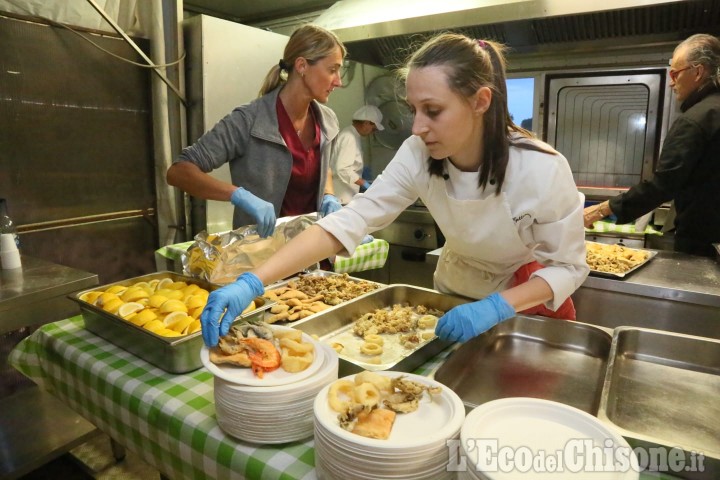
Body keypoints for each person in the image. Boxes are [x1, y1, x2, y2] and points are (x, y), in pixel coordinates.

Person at [199, 33, 589, 347]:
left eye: (432, 111)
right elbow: (351, 220)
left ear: (480, 102)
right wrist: (253, 281)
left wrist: (496, 308)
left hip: (520, 302)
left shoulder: (540, 168)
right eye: (413, 109)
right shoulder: (419, 153)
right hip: (456, 289)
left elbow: (569, 267)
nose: (417, 126)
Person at [166, 24, 345, 238]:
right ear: (302, 66)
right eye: (332, 70)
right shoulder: (248, 121)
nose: (339, 81)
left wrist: (328, 194)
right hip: (263, 259)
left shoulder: (327, 121)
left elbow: (322, 166)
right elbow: (178, 171)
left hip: (313, 256)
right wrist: (238, 195)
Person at [583, 34, 720, 257]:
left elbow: (662, 185)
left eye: (675, 73)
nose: (671, 82)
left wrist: (599, 210)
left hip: (703, 242)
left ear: (698, 72)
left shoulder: (695, 120)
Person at [329, 105, 384, 204]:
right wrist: (364, 183)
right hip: (341, 195)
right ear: (366, 123)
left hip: (346, 194)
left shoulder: (353, 135)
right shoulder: (349, 137)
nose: (372, 132)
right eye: (373, 129)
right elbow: (343, 169)